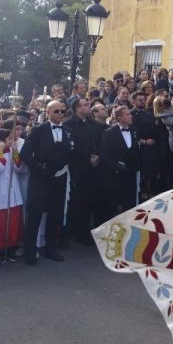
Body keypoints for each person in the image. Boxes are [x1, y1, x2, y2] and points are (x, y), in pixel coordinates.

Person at [20, 100, 74, 266]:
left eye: (62, 112)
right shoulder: (38, 130)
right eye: (56, 111)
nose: (59, 114)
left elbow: (72, 152)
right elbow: (26, 153)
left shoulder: (68, 131)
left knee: (55, 214)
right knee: (35, 214)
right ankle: (30, 251)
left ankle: (50, 248)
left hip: (60, 177)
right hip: (41, 178)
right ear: (48, 112)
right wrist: (38, 168)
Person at [63, 97, 105, 245]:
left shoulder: (93, 124)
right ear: (77, 109)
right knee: (75, 202)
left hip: (92, 169)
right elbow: (71, 146)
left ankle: (83, 232)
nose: (89, 106)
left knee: (88, 202)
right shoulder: (68, 124)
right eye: (86, 105)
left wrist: (97, 155)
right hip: (77, 168)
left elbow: (100, 141)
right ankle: (69, 232)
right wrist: (88, 156)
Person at [0, 128, 24, 263]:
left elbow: (19, 168)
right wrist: (0, 150)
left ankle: (11, 248)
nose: (12, 141)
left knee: (12, 223)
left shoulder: (12, 151)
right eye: (9, 139)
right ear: (1, 140)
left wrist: (16, 152)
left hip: (13, 193)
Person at [99, 106, 141, 219]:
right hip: (115, 176)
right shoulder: (109, 133)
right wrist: (117, 165)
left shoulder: (134, 131)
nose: (131, 116)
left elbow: (137, 150)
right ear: (120, 117)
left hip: (131, 174)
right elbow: (105, 154)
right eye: (127, 114)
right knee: (111, 206)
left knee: (130, 205)